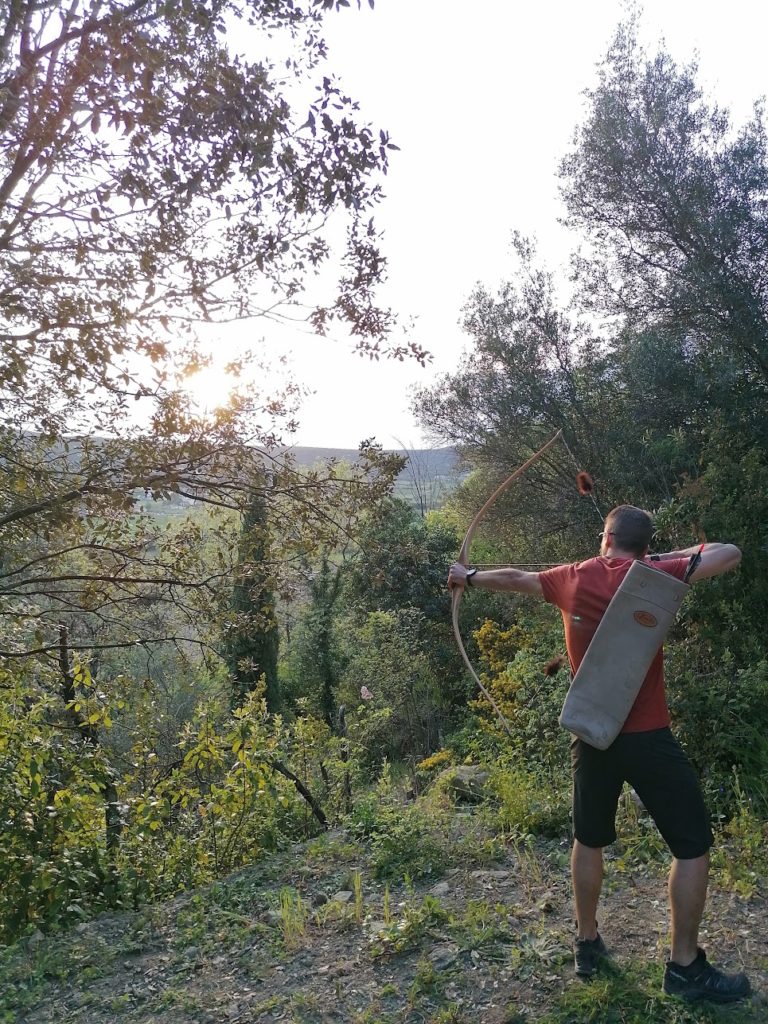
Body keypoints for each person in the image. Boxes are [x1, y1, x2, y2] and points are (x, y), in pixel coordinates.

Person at [448, 504, 751, 1004]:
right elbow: (729, 553)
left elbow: (517, 578)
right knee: (692, 845)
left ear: (604, 538)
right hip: (649, 737)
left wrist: (470, 575)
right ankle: (684, 968)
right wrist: (664, 557)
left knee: (588, 839)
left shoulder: (575, 577)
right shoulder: (660, 573)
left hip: (591, 734)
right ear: (644, 544)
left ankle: (587, 944)